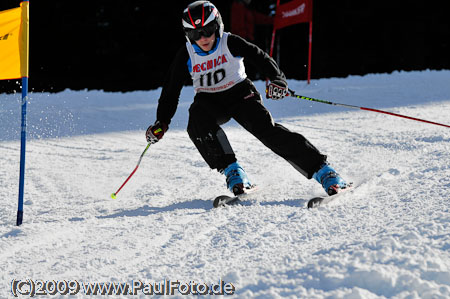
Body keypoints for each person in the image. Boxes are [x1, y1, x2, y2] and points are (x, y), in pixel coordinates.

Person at [146, 1, 348, 196]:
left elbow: (261, 58)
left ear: (218, 26)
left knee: (267, 131)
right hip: (210, 101)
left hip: (240, 94)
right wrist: (162, 122)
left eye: (208, 30)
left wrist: (278, 80)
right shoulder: (187, 54)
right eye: (195, 34)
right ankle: (233, 171)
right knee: (196, 122)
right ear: (188, 35)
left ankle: (324, 171)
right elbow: (171, 90)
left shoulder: (229, 42)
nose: (203, 37)